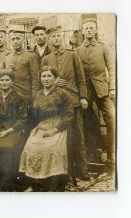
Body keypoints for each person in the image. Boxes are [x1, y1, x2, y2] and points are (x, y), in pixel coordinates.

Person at [41, 26, 90, 181]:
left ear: (61, 37)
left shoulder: (72, 54)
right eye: (53, 36)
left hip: (74, 101)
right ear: (49, 39)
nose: (56, 38)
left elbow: (81, 79)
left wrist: (83, 97)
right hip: (57, 104)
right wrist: (54, 82)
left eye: (58, 36)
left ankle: (82, 170)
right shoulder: (46, 59)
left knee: (78, 136)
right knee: (61, 139)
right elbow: (44, 80)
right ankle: (64, 171)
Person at [19, 66, 74, 192]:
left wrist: (55, 130)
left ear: (55, 78)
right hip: (42, 126)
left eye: (49, 76)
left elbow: (69, 115)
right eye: (43, 76)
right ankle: (37, 183)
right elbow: (34, 115)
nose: (46, 79)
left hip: (59, 126)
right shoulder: (38, 95)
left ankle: (53, 184)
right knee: (30, 146)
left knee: (50, 148)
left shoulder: (63, 94)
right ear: (40, 79)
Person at [75, 18, 115, 163]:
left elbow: (111, 68)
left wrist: (112, 87)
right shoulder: (77, 50)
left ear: (96, 30)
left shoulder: (103, 48)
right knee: (88, 121)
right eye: (86, 28)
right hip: (86, 92)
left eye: (92, 28)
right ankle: (93, 153)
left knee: (111, 117)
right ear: (83, 31)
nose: (89, 30)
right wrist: (81, 95)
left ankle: (110, 154)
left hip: (103, 90)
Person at [4, 29, 40, 105]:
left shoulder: (30, 56)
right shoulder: (8, 57)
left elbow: (35, 79)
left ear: (23, 40)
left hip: (25, 94)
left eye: (18, 38)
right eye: (13, 39)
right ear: (10, 41)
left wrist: (34, 96)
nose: (15, 41)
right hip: (10, 94)